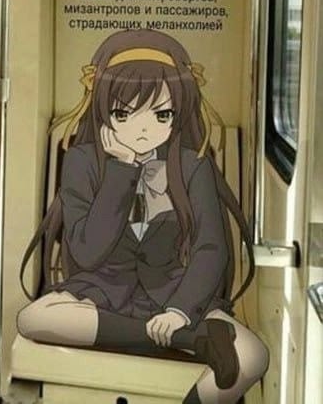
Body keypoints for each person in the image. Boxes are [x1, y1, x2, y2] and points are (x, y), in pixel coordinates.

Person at [17, 29, 269, 403]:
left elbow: (210, 249)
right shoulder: (83, 161)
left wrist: (180, 311)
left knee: (253, 355)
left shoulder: (193, 166)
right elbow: (86, 252)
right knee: (34, 318)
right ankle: (194, 340)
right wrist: (122, 170)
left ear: (179, 112)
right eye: (123, 113)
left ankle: (188, 339)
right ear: (102, 110)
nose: (144, 129)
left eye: (161, 114)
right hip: (104, 292)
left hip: (177, 291)